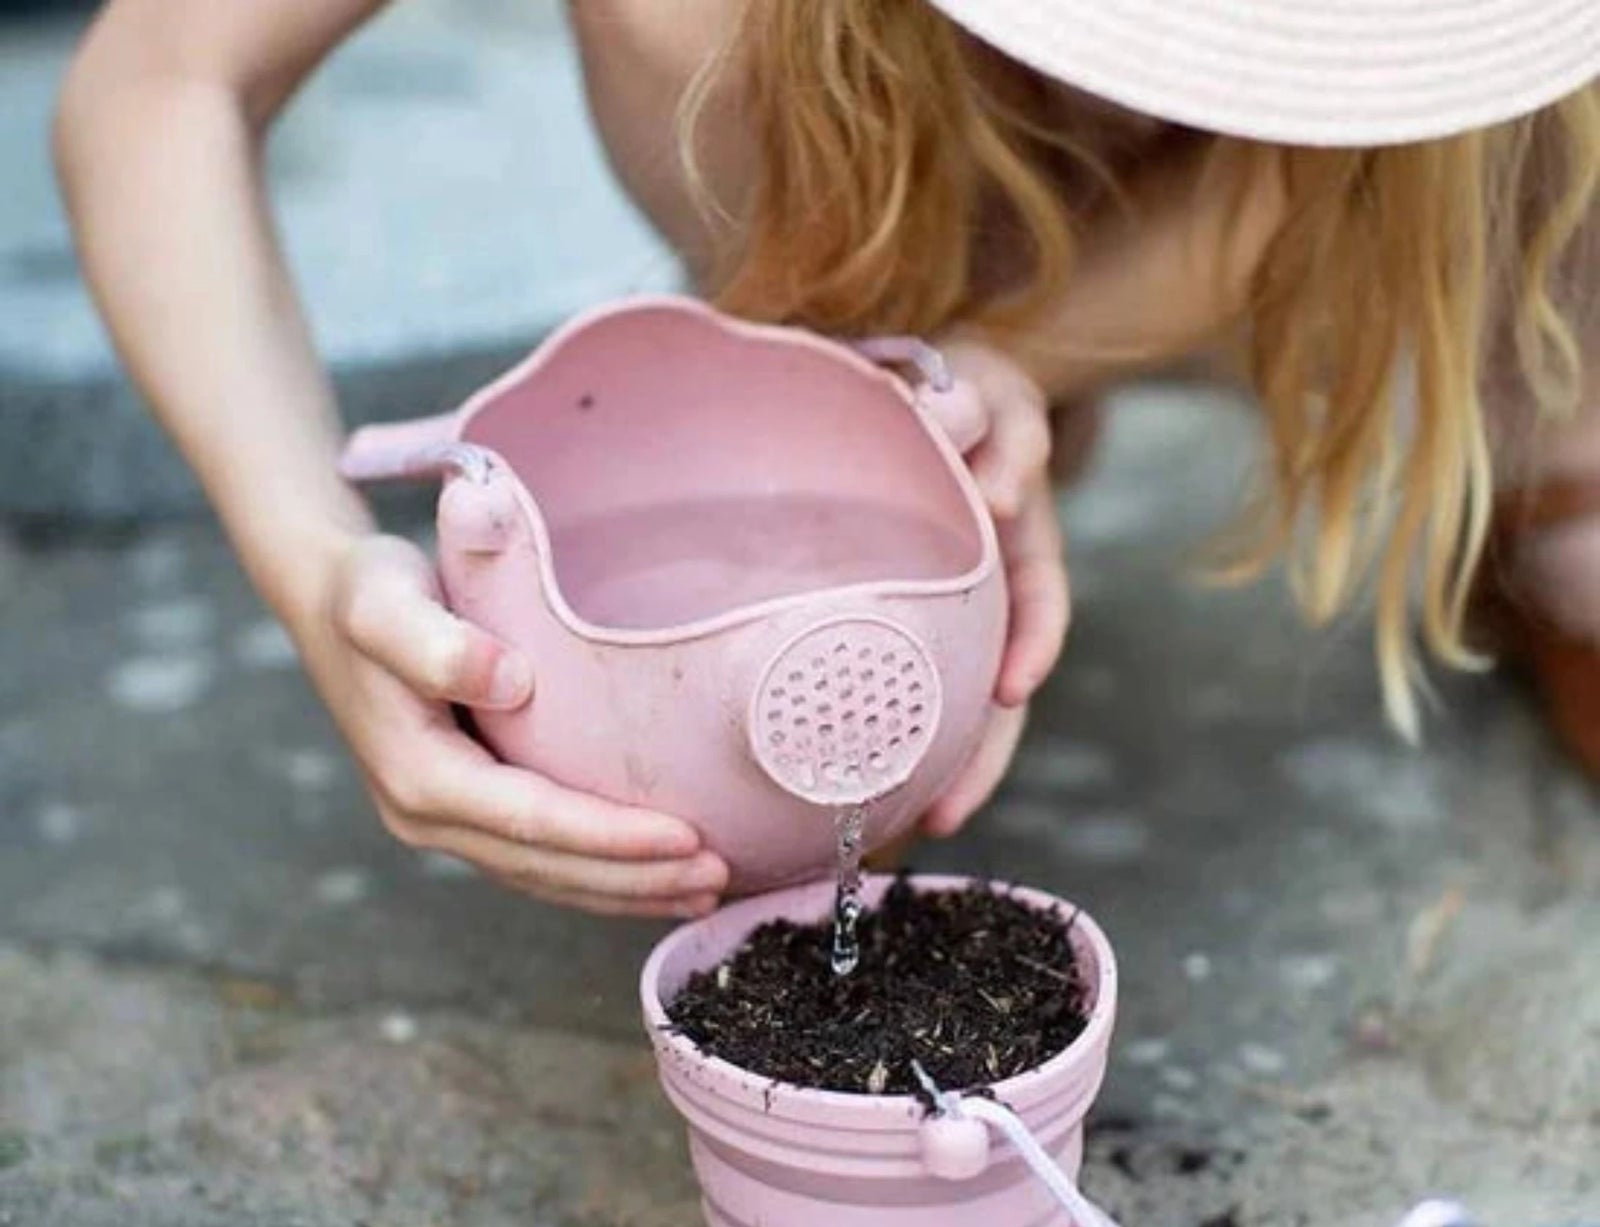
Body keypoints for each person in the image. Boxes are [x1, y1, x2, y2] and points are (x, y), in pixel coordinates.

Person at [54, 2, 1599, 918]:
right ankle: (850, 337)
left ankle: (1539, 430)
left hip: (1389, 206)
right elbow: (164, 81)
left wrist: (1017, 363)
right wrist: (310, 550)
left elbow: (1332, 156)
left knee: (1523, 232)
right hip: (838, 101)